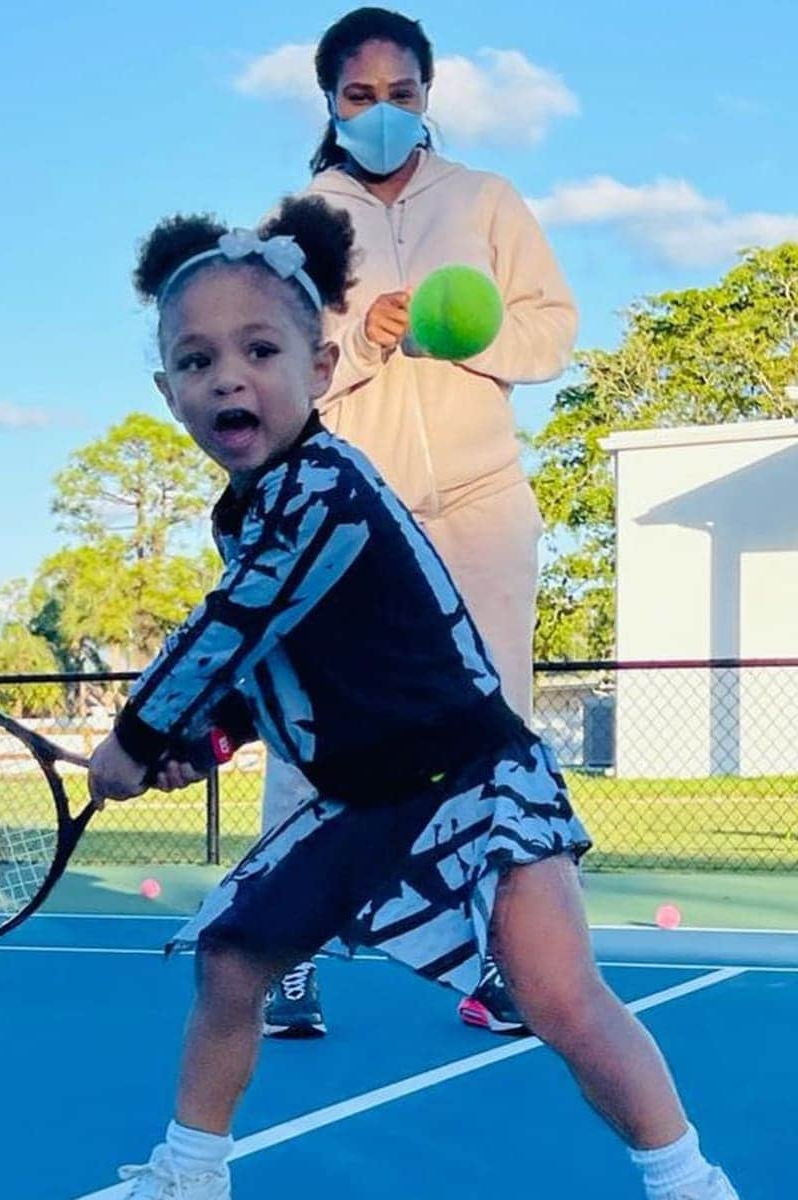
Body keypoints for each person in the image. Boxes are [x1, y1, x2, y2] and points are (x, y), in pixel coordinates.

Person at [85, 197, 738, 1200]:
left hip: (471, 778)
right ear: (169, 389)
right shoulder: (254, 508)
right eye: (197, 360)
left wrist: (138, 734)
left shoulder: (322, 489)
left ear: (321, 371)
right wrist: (210, 736)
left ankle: (690, 1183)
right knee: (228, 959)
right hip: (365, 798)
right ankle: (189, 1173)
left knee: (560, 999)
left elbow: (237, 620)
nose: (228, 377)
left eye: (259, 349)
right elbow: (283, 663)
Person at [260, 6, 580, 1039]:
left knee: (497, 740)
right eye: (361, 97)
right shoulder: (300, 220)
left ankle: (505, 967)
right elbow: (273, 368)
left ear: (428, 98)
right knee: (316, 731)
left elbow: (552, 331)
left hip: (483, 504)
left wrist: (464, 328)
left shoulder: (488, 199)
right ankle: (288, 959)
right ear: (331, 103)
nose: (384, 114)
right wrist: (361, 337)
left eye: (402, 96)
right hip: (358, 507)